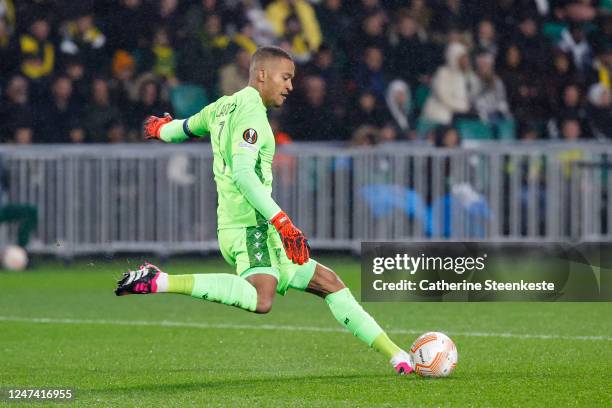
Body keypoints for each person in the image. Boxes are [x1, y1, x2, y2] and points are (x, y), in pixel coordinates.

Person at [115, 46, 415, 376]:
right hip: (249, 227)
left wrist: (159, 129)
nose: (289, 86)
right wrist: (283, 222)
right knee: (262, 299)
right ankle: (160, 280)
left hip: (255, 227)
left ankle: (398, 356)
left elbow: (182, 128)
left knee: (330, 283)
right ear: (262, 74)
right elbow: (244, 174)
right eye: (285, 77)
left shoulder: (221, 107)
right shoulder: (252, 115)